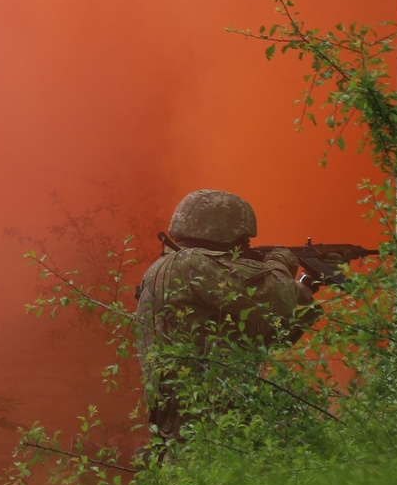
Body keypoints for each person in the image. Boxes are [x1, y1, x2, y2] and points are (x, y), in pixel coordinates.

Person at [134, 189, 318, 444]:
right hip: (208, 424)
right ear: (220, 233)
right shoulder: (192, 263)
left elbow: (264, 339)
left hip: (190, 424)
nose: (246, 248)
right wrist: (279, 261)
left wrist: (304, 293)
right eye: (243, 241)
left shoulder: (166, 268)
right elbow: (278, 297)